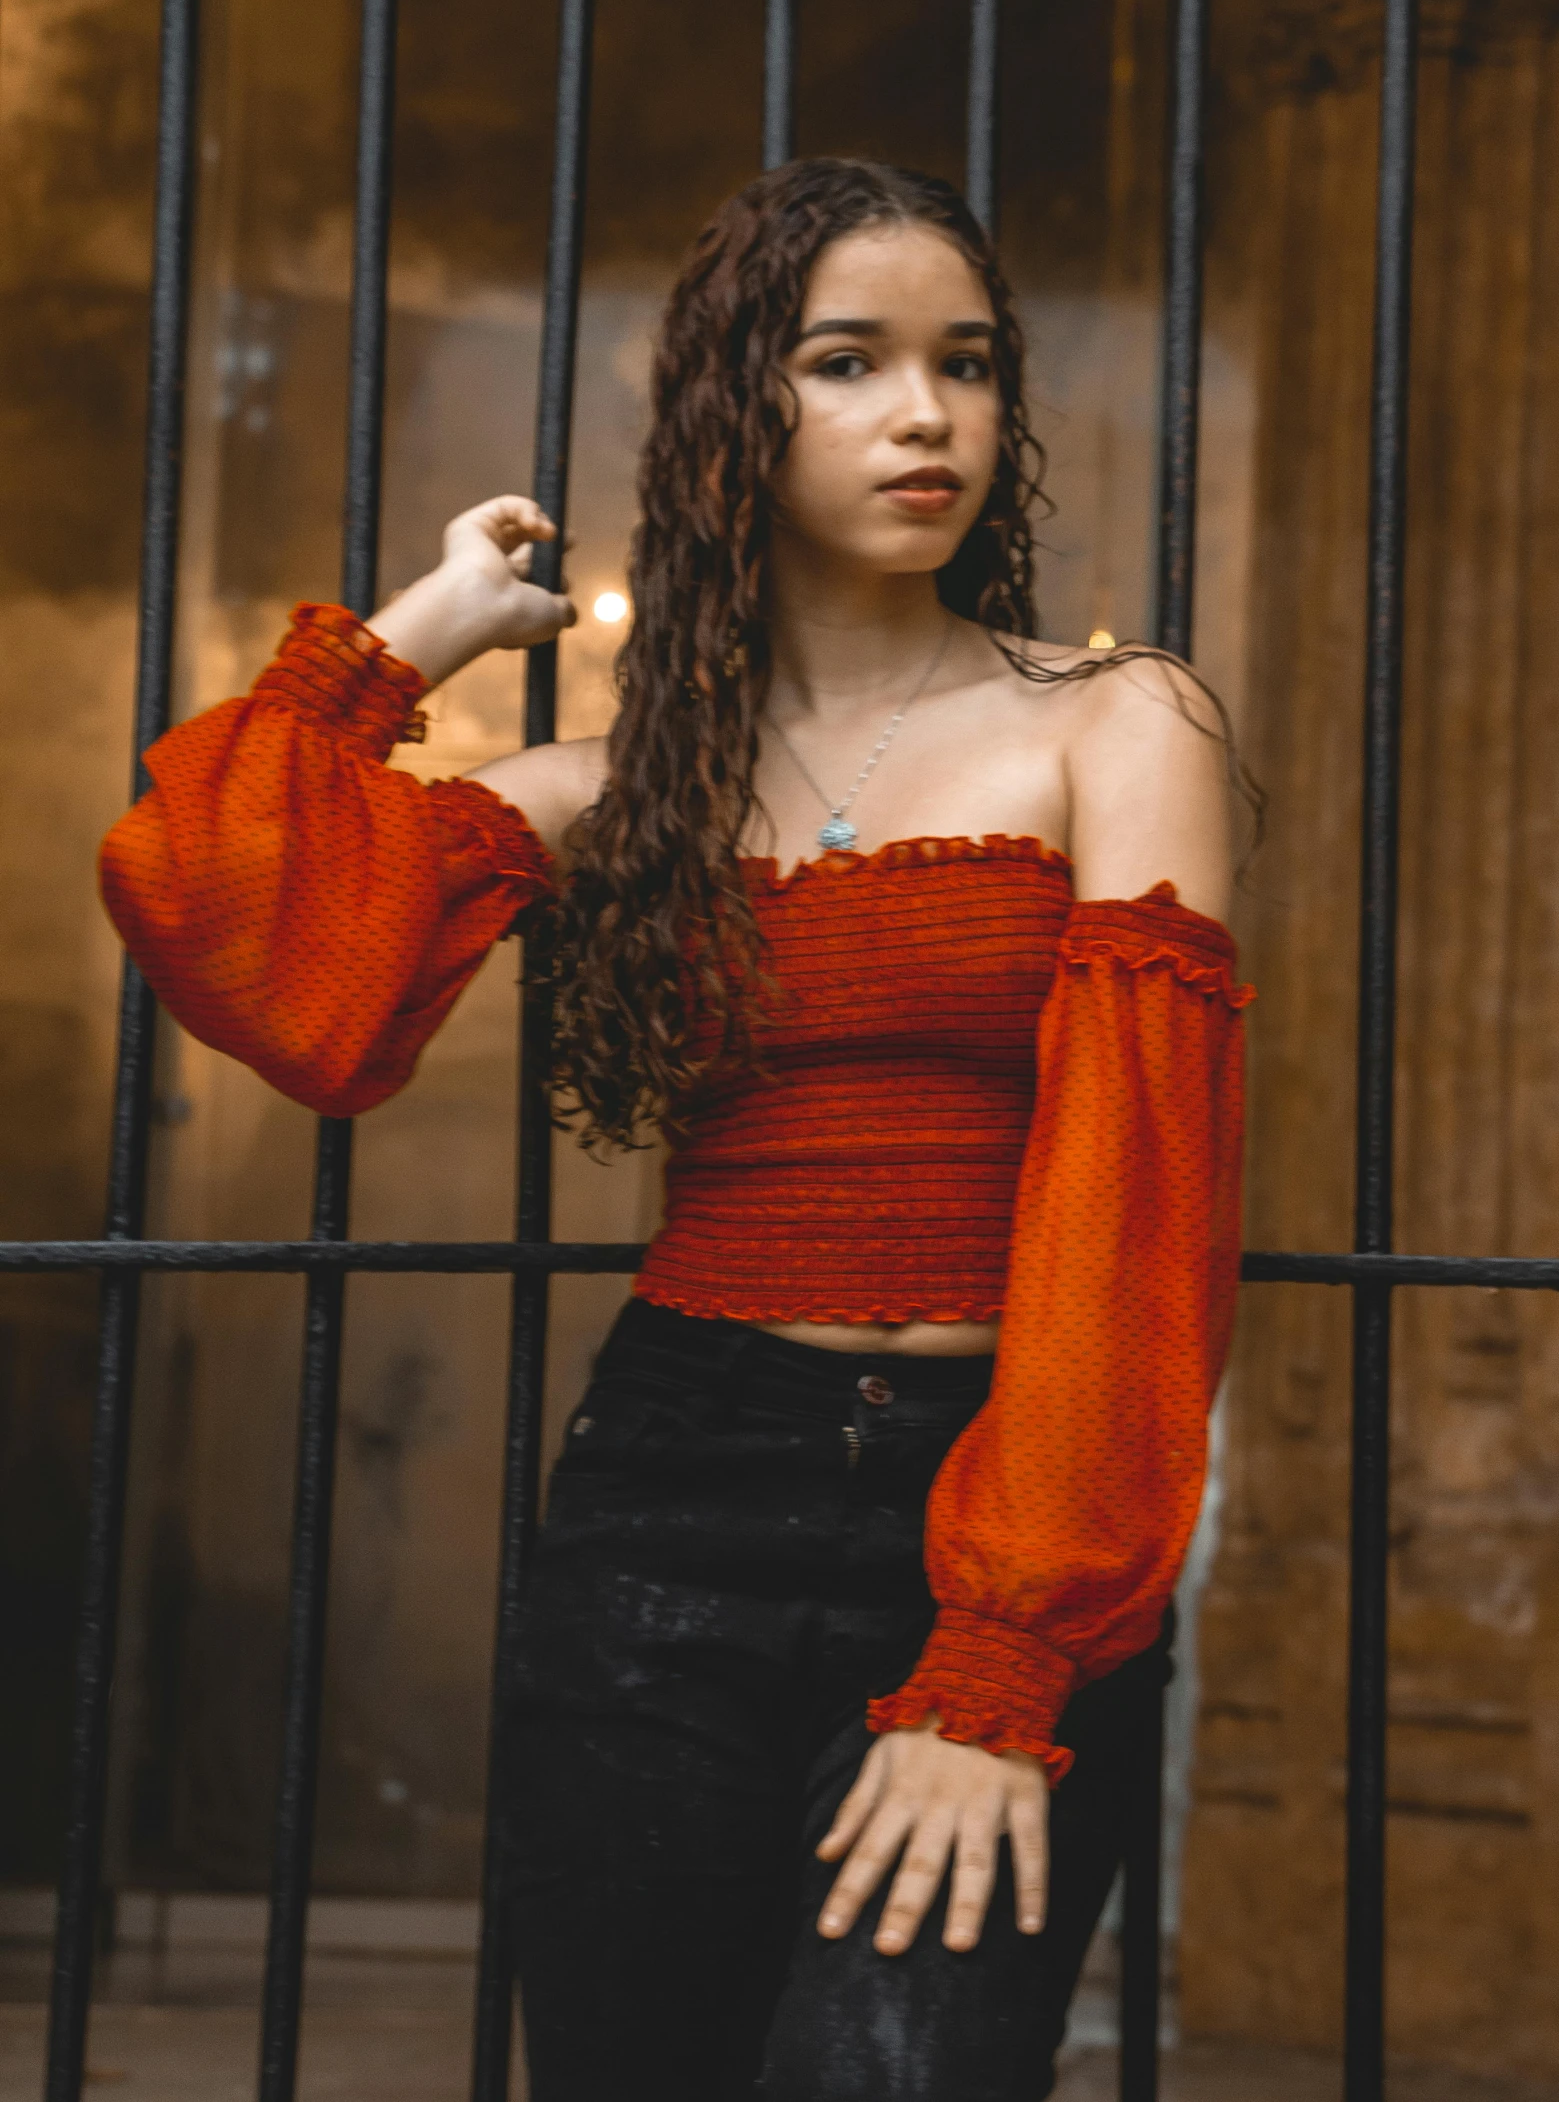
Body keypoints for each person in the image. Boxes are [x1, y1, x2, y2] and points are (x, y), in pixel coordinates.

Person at [99, 158, 1251, 2102]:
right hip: (668, 1508)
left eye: (967, 365)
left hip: (985, 1524)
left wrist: (1000, 1657)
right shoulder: (603, 792)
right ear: (740, 413)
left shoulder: (1119, 723)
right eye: (850, 361)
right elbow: (223, 908)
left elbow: (1145, 1191)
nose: (926, 414)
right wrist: (421, 629)